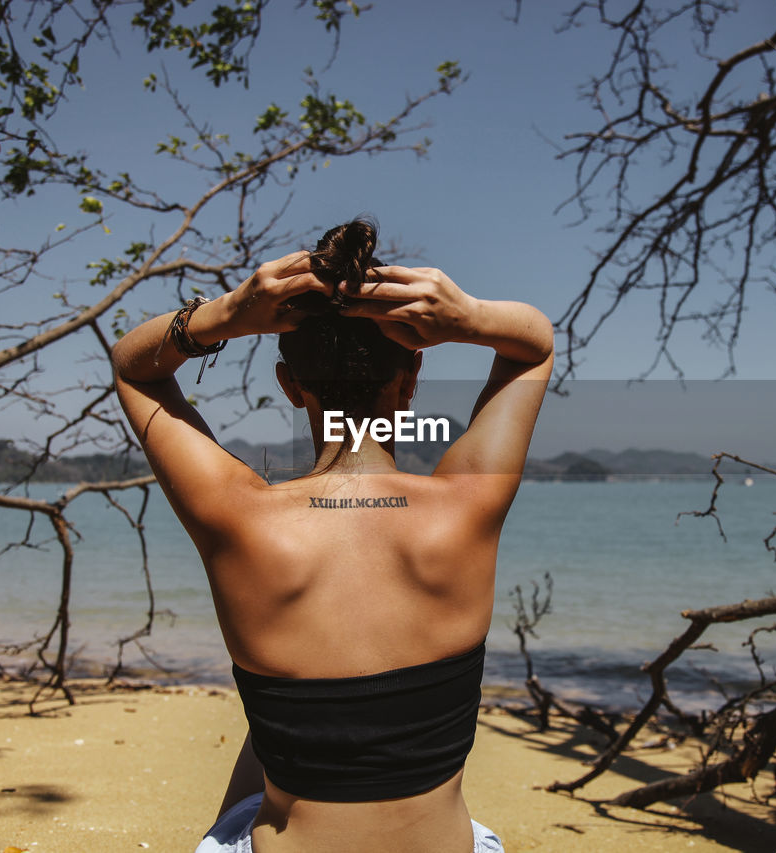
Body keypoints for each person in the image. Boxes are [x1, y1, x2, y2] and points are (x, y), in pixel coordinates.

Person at [111, 219, 553, 853]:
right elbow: (533, 345)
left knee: (271, 738)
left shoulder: (237, 517)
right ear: (410, 383)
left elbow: (134, 368)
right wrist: (470, 315)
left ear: (292, 388)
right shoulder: (468, 505)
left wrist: (228, 313)